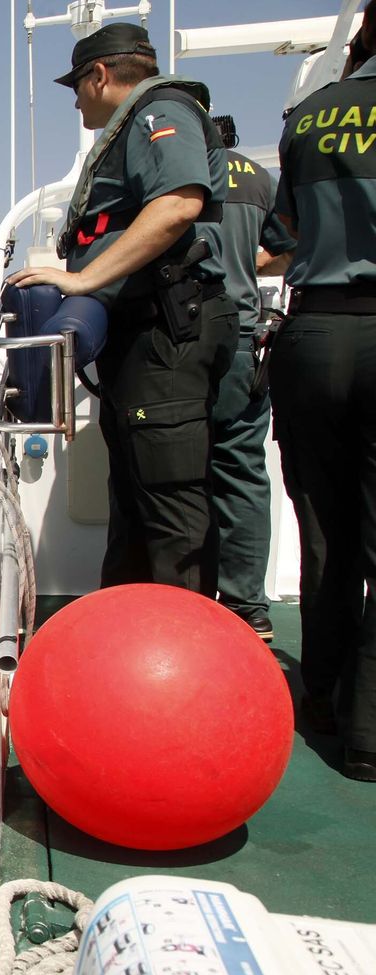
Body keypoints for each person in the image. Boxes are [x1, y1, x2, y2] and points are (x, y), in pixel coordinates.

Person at [10, 23, 237, 595]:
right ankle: (130, 634)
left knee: (169, 503)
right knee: (136, 497)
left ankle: (181, 654)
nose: (79, 100)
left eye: (77, 87)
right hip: (142, 335)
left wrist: (84, 278)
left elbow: (178, 204)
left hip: (168, 330)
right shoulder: (137, 121)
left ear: (100, 75)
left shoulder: (162, 111)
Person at [270, 1, 376, 783]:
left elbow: (286, 234)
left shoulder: (309, 116)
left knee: (324, 531)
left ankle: (328, 698)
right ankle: (369, 734)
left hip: (314, 336)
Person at [207, 113, 295, 640]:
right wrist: (245, 262)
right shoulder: (259, 179)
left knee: (177, 476)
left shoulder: (183, 170)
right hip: (244, 340)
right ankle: (247, 607)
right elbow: (288, 247)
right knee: (242, 472)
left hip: (186, 341)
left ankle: (189, 598)